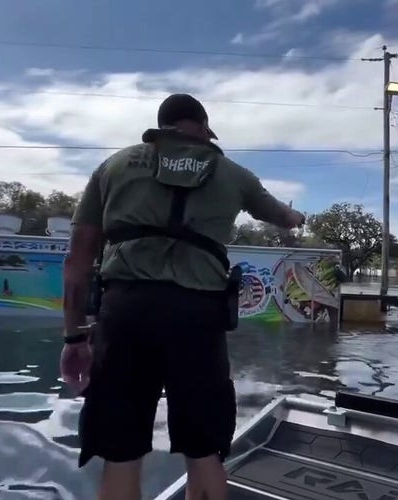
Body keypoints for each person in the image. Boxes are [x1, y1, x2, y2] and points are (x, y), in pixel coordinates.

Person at [60, 93, 305, 500]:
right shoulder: (232, 173)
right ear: (205, 128)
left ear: (161, 126)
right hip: (197, 317)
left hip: (125, 314)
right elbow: (280, 214)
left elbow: (78, 258)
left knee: (120, 454)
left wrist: (72, 337)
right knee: (205, 452)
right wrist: (295, 217)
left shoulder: (114, 166)